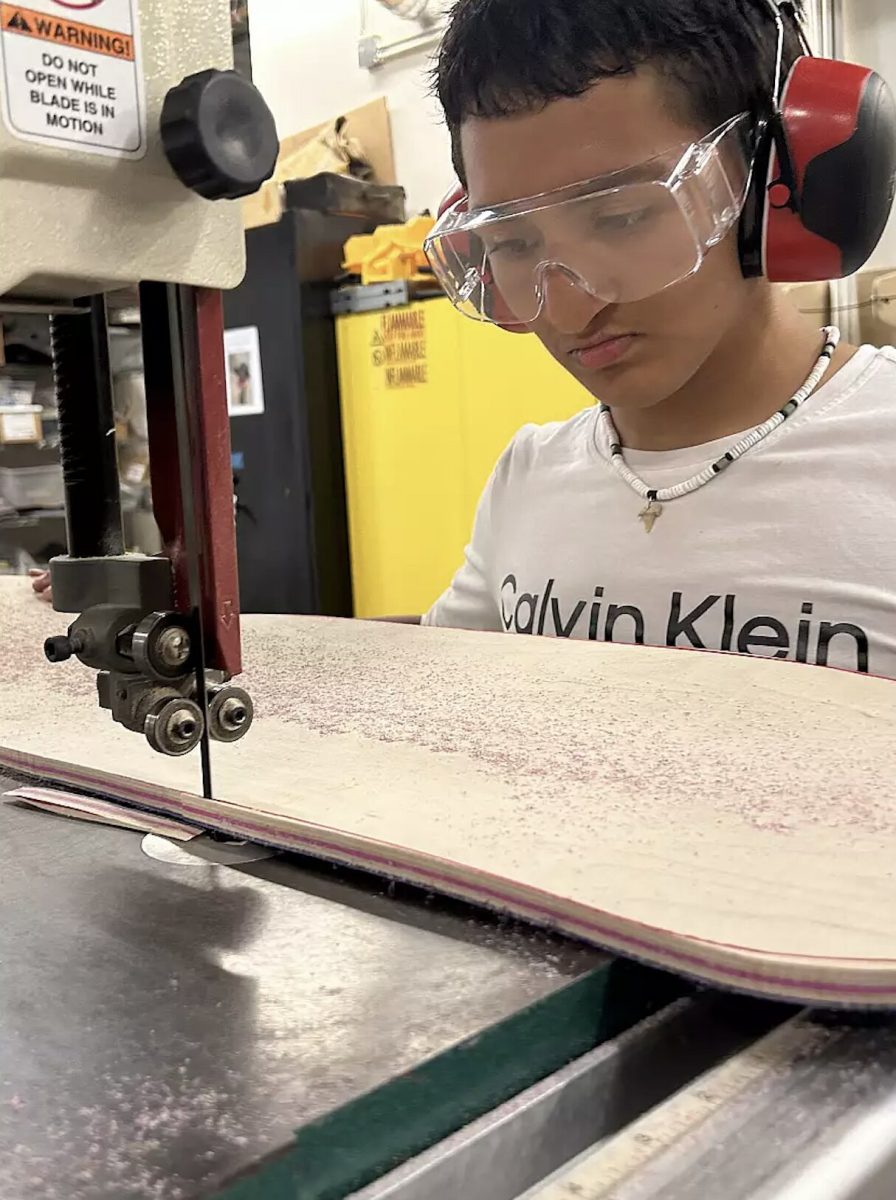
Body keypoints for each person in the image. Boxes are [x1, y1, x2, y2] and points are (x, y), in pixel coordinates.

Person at [422, 0, 896, 679]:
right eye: (513, 242)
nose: (568, 308)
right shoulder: (528, 480)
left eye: (622, 219)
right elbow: (441, 701)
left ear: (774, 184)